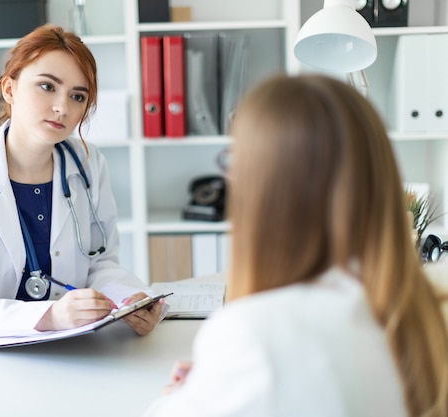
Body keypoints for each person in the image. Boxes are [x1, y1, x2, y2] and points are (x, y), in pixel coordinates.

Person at [143, 74, 448, 417]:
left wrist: (182, 396)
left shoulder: (253, 335)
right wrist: (221, 382)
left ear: (266, 189)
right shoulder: (421, 310)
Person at [0, 24, 163, 339]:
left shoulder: (89, 166)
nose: (63, 108)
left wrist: (131, 299)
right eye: (48, 87)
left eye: (77, 96)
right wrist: (51, 315)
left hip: (67, 345)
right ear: (10, 89)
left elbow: (101, 265)